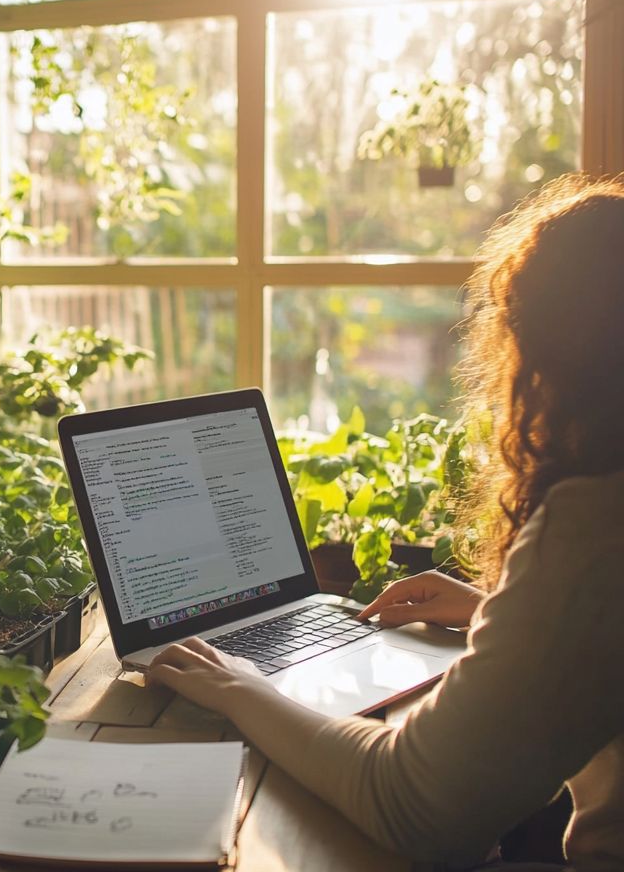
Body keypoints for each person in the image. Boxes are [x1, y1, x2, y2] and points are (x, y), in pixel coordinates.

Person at [146, 174, 624, 870]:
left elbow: (410, 805)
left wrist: (239, 687)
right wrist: (504, 613)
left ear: (549, 357)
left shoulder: (593, 523)